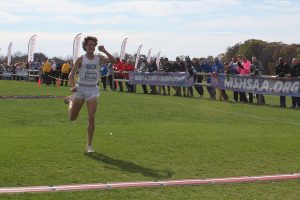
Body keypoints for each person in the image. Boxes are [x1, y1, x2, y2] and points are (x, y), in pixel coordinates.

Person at [64, 36, 116, 153]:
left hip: (93, 90)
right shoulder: (80, 59)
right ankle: (71, 101)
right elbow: (71, 75)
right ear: (85, 46)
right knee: (72, 118)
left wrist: (105, 51)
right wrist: (72, 86)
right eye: (89, 45)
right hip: (81, 89)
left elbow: (114, 61)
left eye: (93, 45)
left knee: (91, 117)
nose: (91, 47)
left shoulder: (99, 58)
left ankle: (89, 145)